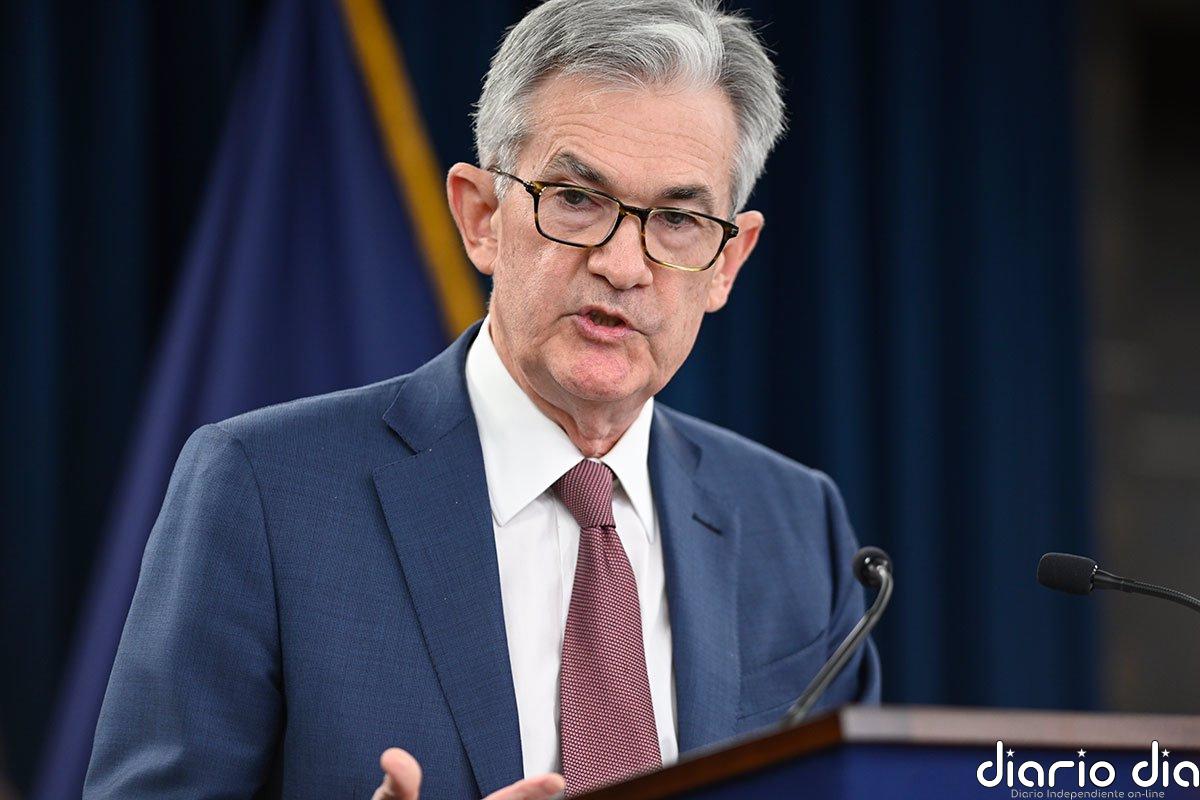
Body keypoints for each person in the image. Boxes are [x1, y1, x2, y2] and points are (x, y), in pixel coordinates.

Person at [84, 0, 880, 797]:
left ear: (727, 263)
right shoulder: (265, 489)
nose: (623, 264)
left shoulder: (796, 526)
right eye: (577, 199)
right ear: (481, 217)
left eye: (677, 219)